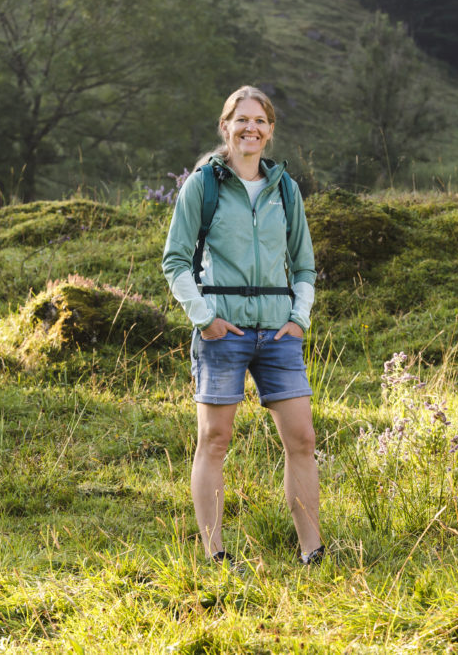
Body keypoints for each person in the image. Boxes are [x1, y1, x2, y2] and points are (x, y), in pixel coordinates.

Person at [162, 85, 323, 566]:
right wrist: (205, 319)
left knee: (303, 439)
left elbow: (304, 265)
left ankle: (313, 551)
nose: (250, 128)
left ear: (270, 131)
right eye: (241, 119)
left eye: (259, 120)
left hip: (278, 333)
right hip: (222, 332)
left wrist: (298, 319)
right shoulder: (202, 185)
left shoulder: (285, 189)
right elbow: (175, 261)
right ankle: (216, 554)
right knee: (214, 440)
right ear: (225, 126)